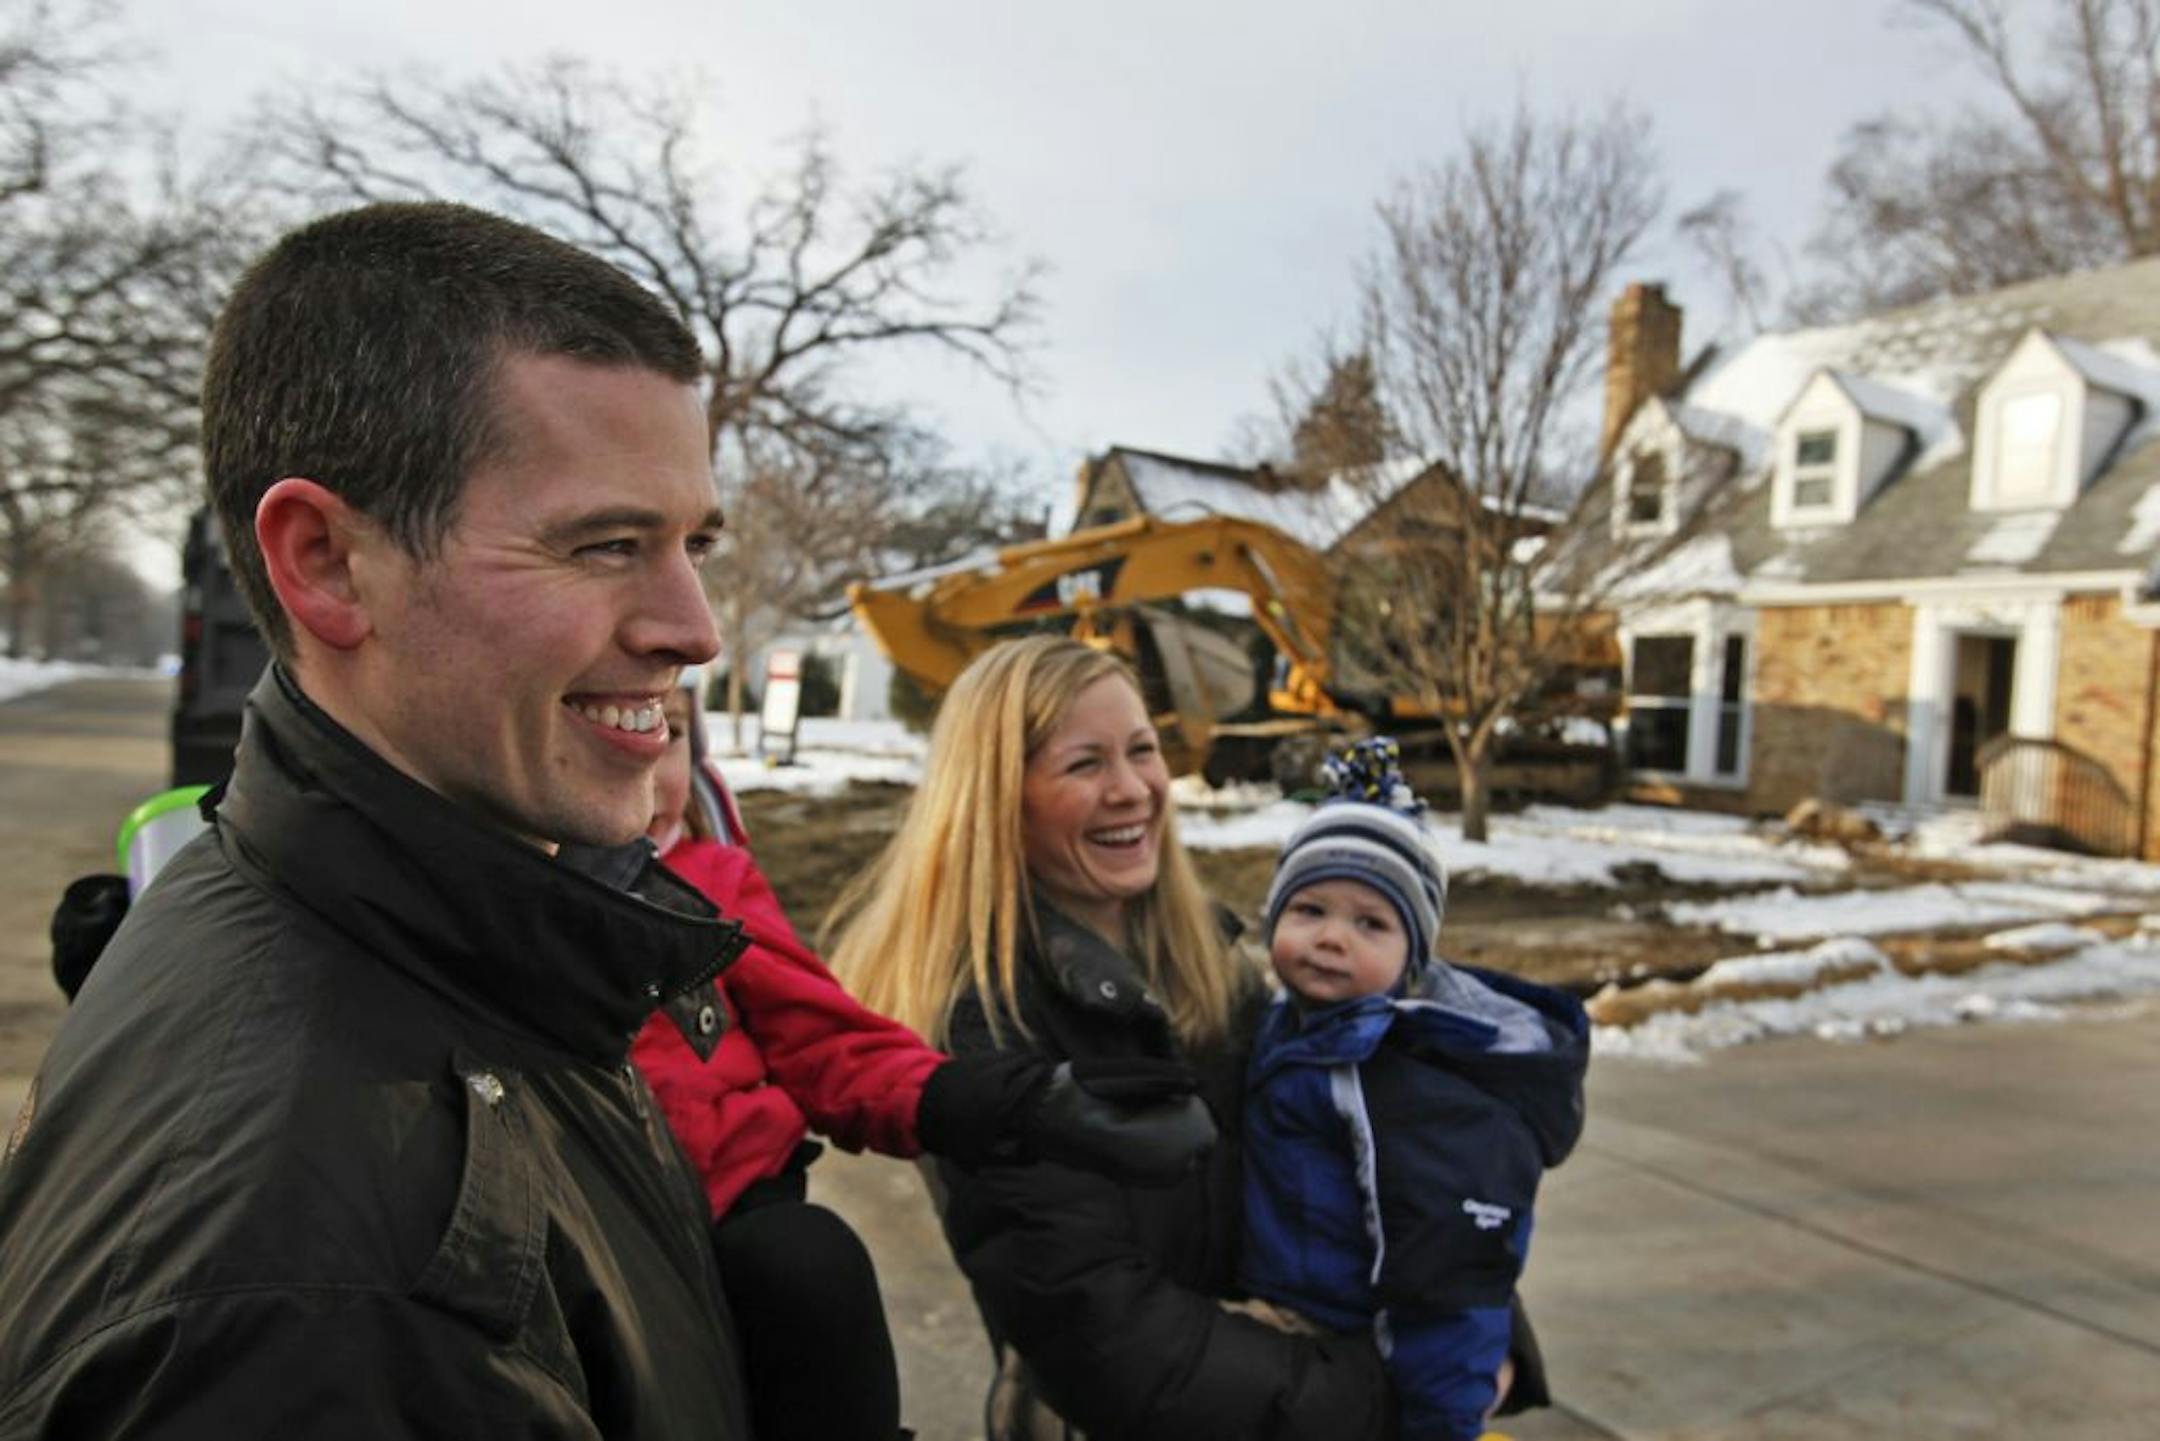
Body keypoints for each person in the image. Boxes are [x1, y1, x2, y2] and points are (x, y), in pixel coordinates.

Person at [0, 202, 752, 1437]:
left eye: (695, 544)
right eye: (608, 544)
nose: (695, 628)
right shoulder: (314, 1303)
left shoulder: (397, 917)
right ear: (327, 562)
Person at [828, 634, 1402, 1440]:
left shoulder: (1215, 966)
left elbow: (1370, 1151)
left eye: (1142, 750)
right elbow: (1106, 1334)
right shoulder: (985, 1022)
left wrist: (1467, 1316)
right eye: (1085, 763)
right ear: (998, 797)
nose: (1132, 789)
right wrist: (1385, 1396)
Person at [629, 675, 1214, 1441]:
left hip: (738, 1209)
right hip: (605, 1220)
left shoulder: (712, 884)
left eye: (668, 732)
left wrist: (995, 1099)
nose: (647, 772)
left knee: (810, 1262)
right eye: (1086, 761)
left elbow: (823, 1037)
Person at [1240, 739, 1590, 1440]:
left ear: (1412, 962)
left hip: (1355, 1339)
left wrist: (1442, 1422)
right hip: (1299, 1310)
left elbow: (1449, 1273)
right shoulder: (1296, 1024)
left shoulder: (1393, 1080)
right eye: (1309, 909)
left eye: (1370, 922)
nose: (1332, 937)